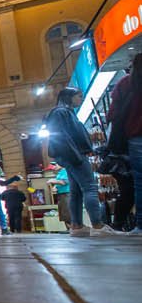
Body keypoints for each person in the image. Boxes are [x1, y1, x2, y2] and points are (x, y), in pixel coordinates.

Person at [43, 87, 104, 239]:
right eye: (79, 96)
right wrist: (75, 155)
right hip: (74, 155)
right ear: (69, 97)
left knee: (76, 191)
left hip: (71, 155)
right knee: (89, 187)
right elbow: (62, 137)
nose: (81, 99)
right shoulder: (61, 112)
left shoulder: (64, 112)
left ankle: (77, 225)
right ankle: (97, 225)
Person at [105, 51, 142, 235]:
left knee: (139, 182)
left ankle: (140, 226)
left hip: (135, 138)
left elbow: (112, 114)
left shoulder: (126, 83)